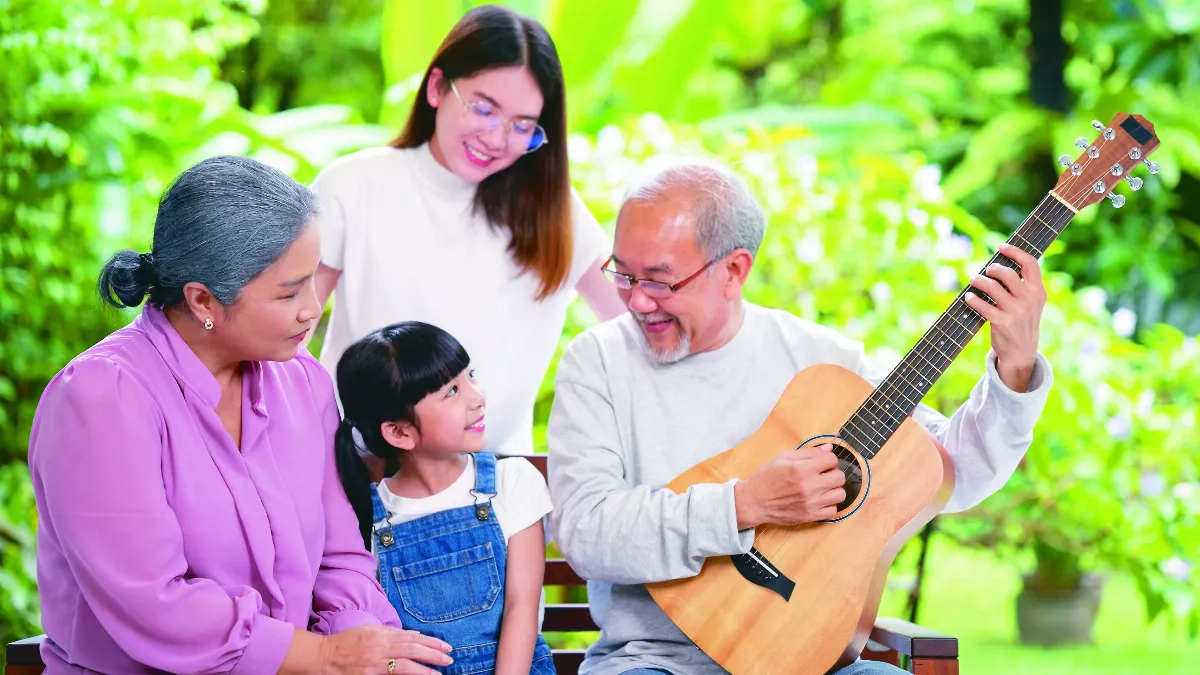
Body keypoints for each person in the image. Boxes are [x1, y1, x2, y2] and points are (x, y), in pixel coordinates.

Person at [545, 157, 1054, 675]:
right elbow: (586, 534)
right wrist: (744, 504)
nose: (636, 301)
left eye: (659, 281)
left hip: (809, 661)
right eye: (623, 275)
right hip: (655, 662)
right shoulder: (598, 362)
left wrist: (1014, 370)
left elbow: (951, 473)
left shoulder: (820, 359)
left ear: (734, 270)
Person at [27, 156, 454, 675]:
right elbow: (154, 603)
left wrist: (361, 640)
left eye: (312, 282)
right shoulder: (101, 397)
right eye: (289, 291)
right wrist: (325, 656)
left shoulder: (303, 381)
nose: (313, 308)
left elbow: (339, 558)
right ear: (203, 299)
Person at [309, 4, 624, 457]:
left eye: (522, 126)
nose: (497, 139)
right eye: (483, 108)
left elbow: (638, 318)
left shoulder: (556, 213)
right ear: (437, 86)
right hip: (361, 476)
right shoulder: (354, 185)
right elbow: (287, 338)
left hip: (492, 494)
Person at [333, 321, 557, 674]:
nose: (476, 397)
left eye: (471, 376)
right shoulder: (369, 517)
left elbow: (521, 608)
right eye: (451, 391)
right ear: (400, 431)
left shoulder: (511, 483)